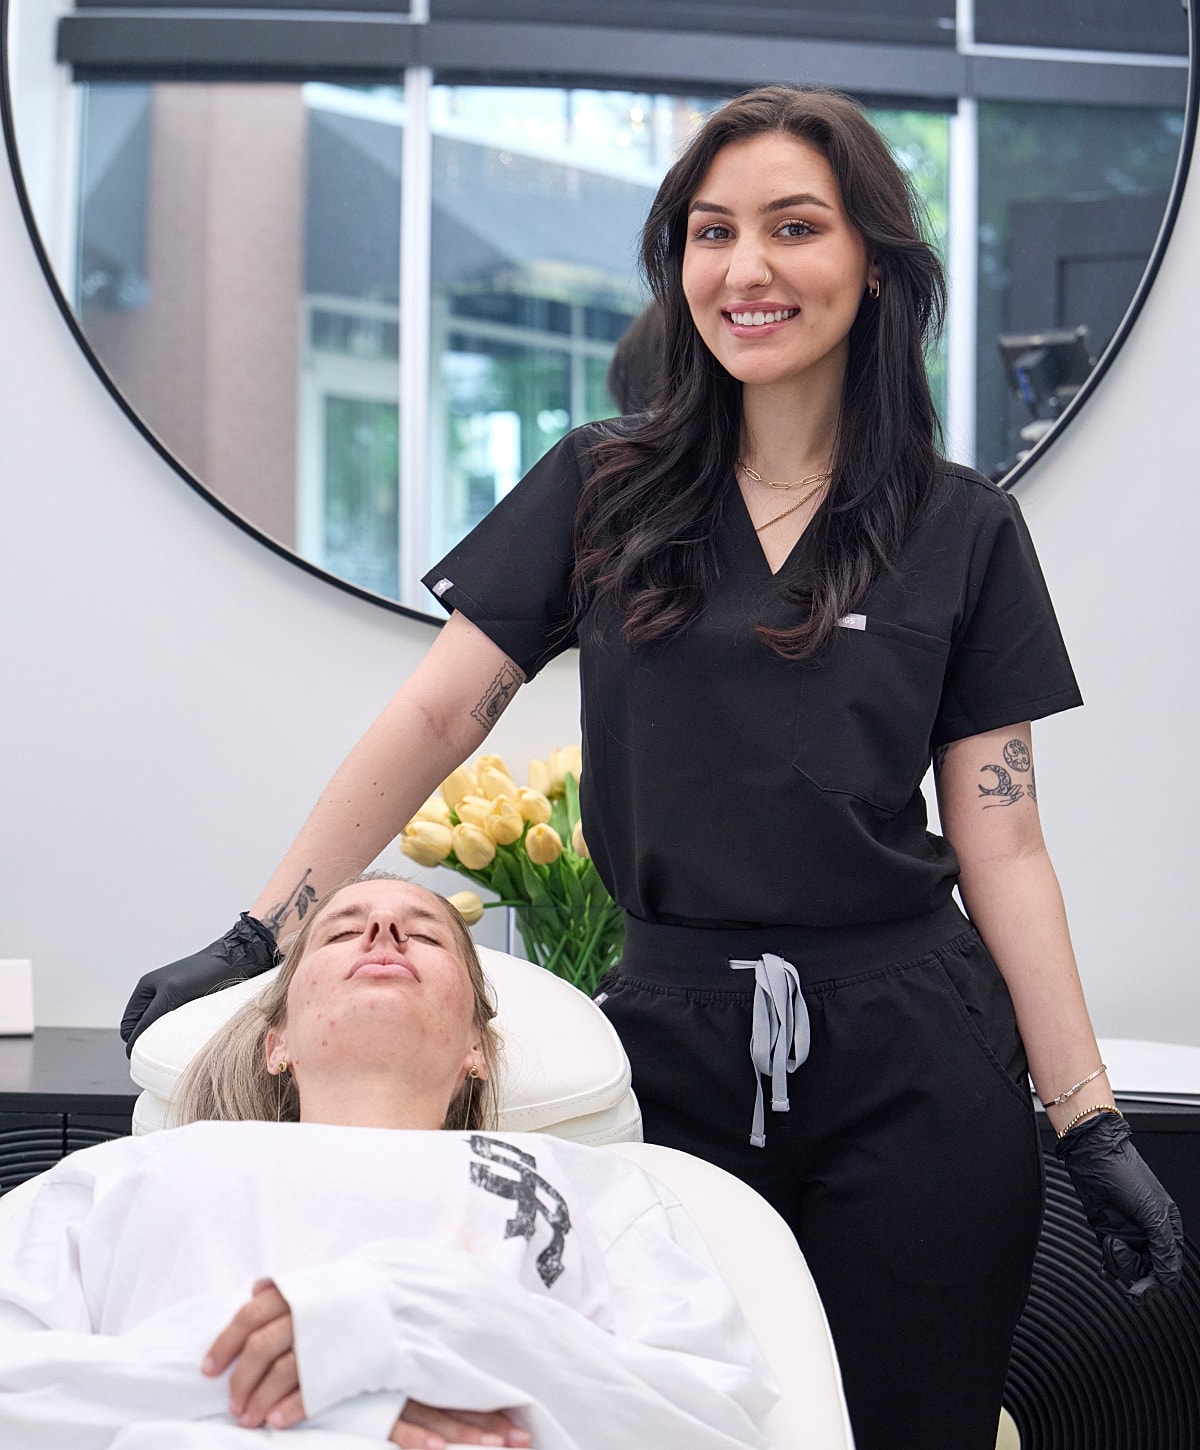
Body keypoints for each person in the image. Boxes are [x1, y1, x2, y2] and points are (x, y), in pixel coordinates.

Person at [120, 85, 1183, 1450]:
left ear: (873, 261)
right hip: (669, 1048)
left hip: (919, 1056)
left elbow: (1005, 840)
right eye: (709, 231)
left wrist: (1086, 1119)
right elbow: (441, 716)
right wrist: (264, 927)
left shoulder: (962, 526)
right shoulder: (602, 487)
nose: (745, 269)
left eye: (793, 227)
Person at [0, 876, 778, 1449]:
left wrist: (417, 1316)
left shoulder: (598, 1190)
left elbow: (717, 1426)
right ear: (278, 1042)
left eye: (426, 934)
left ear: (479, 1046)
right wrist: (344, 1400)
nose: (382, 935)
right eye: (341, 932)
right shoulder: (123, 1179)